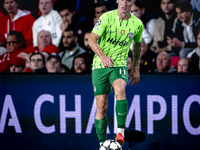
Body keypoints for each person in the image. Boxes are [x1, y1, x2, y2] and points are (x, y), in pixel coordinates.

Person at [88, 0, 143, 147]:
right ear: (118, 0)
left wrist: (136, 67)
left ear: (133, 1)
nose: (125, 2)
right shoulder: (106, 17)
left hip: (119, 64)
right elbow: (91, 39)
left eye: (128, 0)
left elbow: (137, 45)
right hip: (100, 65)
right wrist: (103, 56)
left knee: (120, 90)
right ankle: (102, 145)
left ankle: (120, 132)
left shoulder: (137, 24)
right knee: (101, 106)